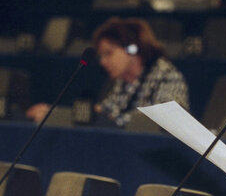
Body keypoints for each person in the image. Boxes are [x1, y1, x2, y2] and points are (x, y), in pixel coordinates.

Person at [27, 17, 188, 127]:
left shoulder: (167, 76)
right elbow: (103, 113)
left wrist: (103, 117)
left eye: (108, 53)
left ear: (131, 49)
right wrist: (55, 114)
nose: (103, 62)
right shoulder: (123, 81)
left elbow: (167, 123)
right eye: (101, 56)